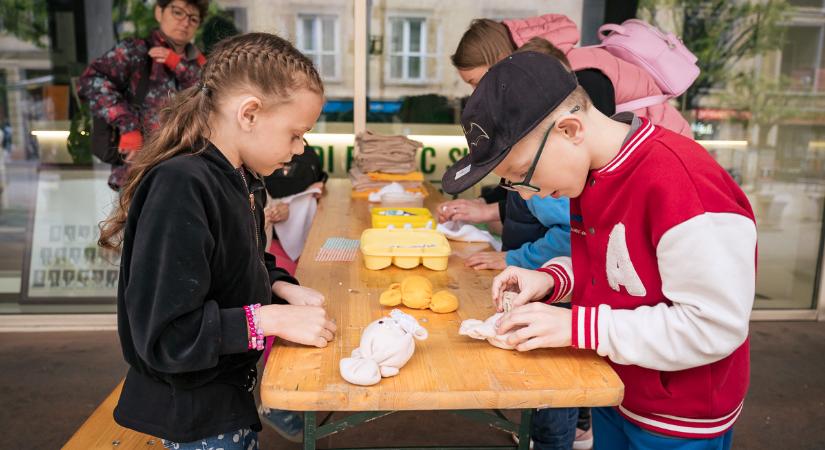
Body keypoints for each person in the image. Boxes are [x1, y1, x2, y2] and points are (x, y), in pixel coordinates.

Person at [443, 51, 755, 450]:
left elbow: (715, 324)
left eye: (522, 174)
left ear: (570, 130)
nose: (522, 193)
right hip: (615, 387)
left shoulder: (682, 181)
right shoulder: (589, 172)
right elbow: (621, 266)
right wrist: (551, 279)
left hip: (678, 418)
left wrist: (578, 328)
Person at [97, 33, 336, 449]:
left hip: (227, 395)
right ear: (249, 113)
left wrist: (278, 285)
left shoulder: (243, 177)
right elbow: (168, 335)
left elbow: (241, 261)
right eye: (296, 133)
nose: (300, 149)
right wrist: (269, 319)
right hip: (196, 413)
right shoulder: (180, 185)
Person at [78, 0, 208, 190]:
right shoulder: (136, 51)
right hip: (139, 174)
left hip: (190, 175)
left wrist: (178, 64)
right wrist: (128, 126)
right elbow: (90, 82)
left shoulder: (201, 64)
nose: (185, 22)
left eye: (193, 18)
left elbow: (212, 99)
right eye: (178, 12)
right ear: (159, 12)